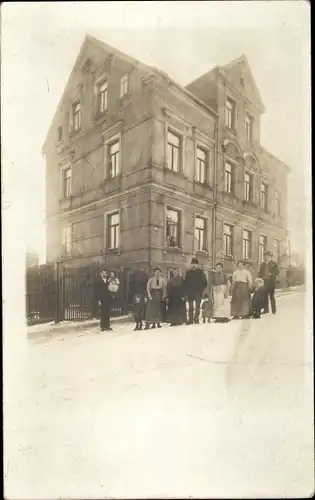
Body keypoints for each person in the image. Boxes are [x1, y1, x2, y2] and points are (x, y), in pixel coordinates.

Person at [184, 257, 207, 324]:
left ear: (197, 265)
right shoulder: (188, 272)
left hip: (198, 292)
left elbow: (205, 282)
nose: (194, 265)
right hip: (190, 292)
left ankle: (196, 318)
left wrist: (201, 290)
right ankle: (190, 319)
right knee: (190, 307)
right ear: (191, 265)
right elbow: (185, 282)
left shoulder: (200, 272)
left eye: (195, 264)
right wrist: (187, 291)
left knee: (197, 306)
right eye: (192, 264)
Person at [258, 250, 279, 314]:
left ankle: (273, 310)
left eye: (268, 256)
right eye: (265, 256)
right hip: (264, 282)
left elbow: (277, 272)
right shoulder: (263, 264)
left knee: (272, 296)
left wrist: (271, 274)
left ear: (270, 257)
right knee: (264, 296)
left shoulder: (274, 263)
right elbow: (260, 273)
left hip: (271, 282)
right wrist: (259, 280)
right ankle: (266, 310)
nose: (266, 257)